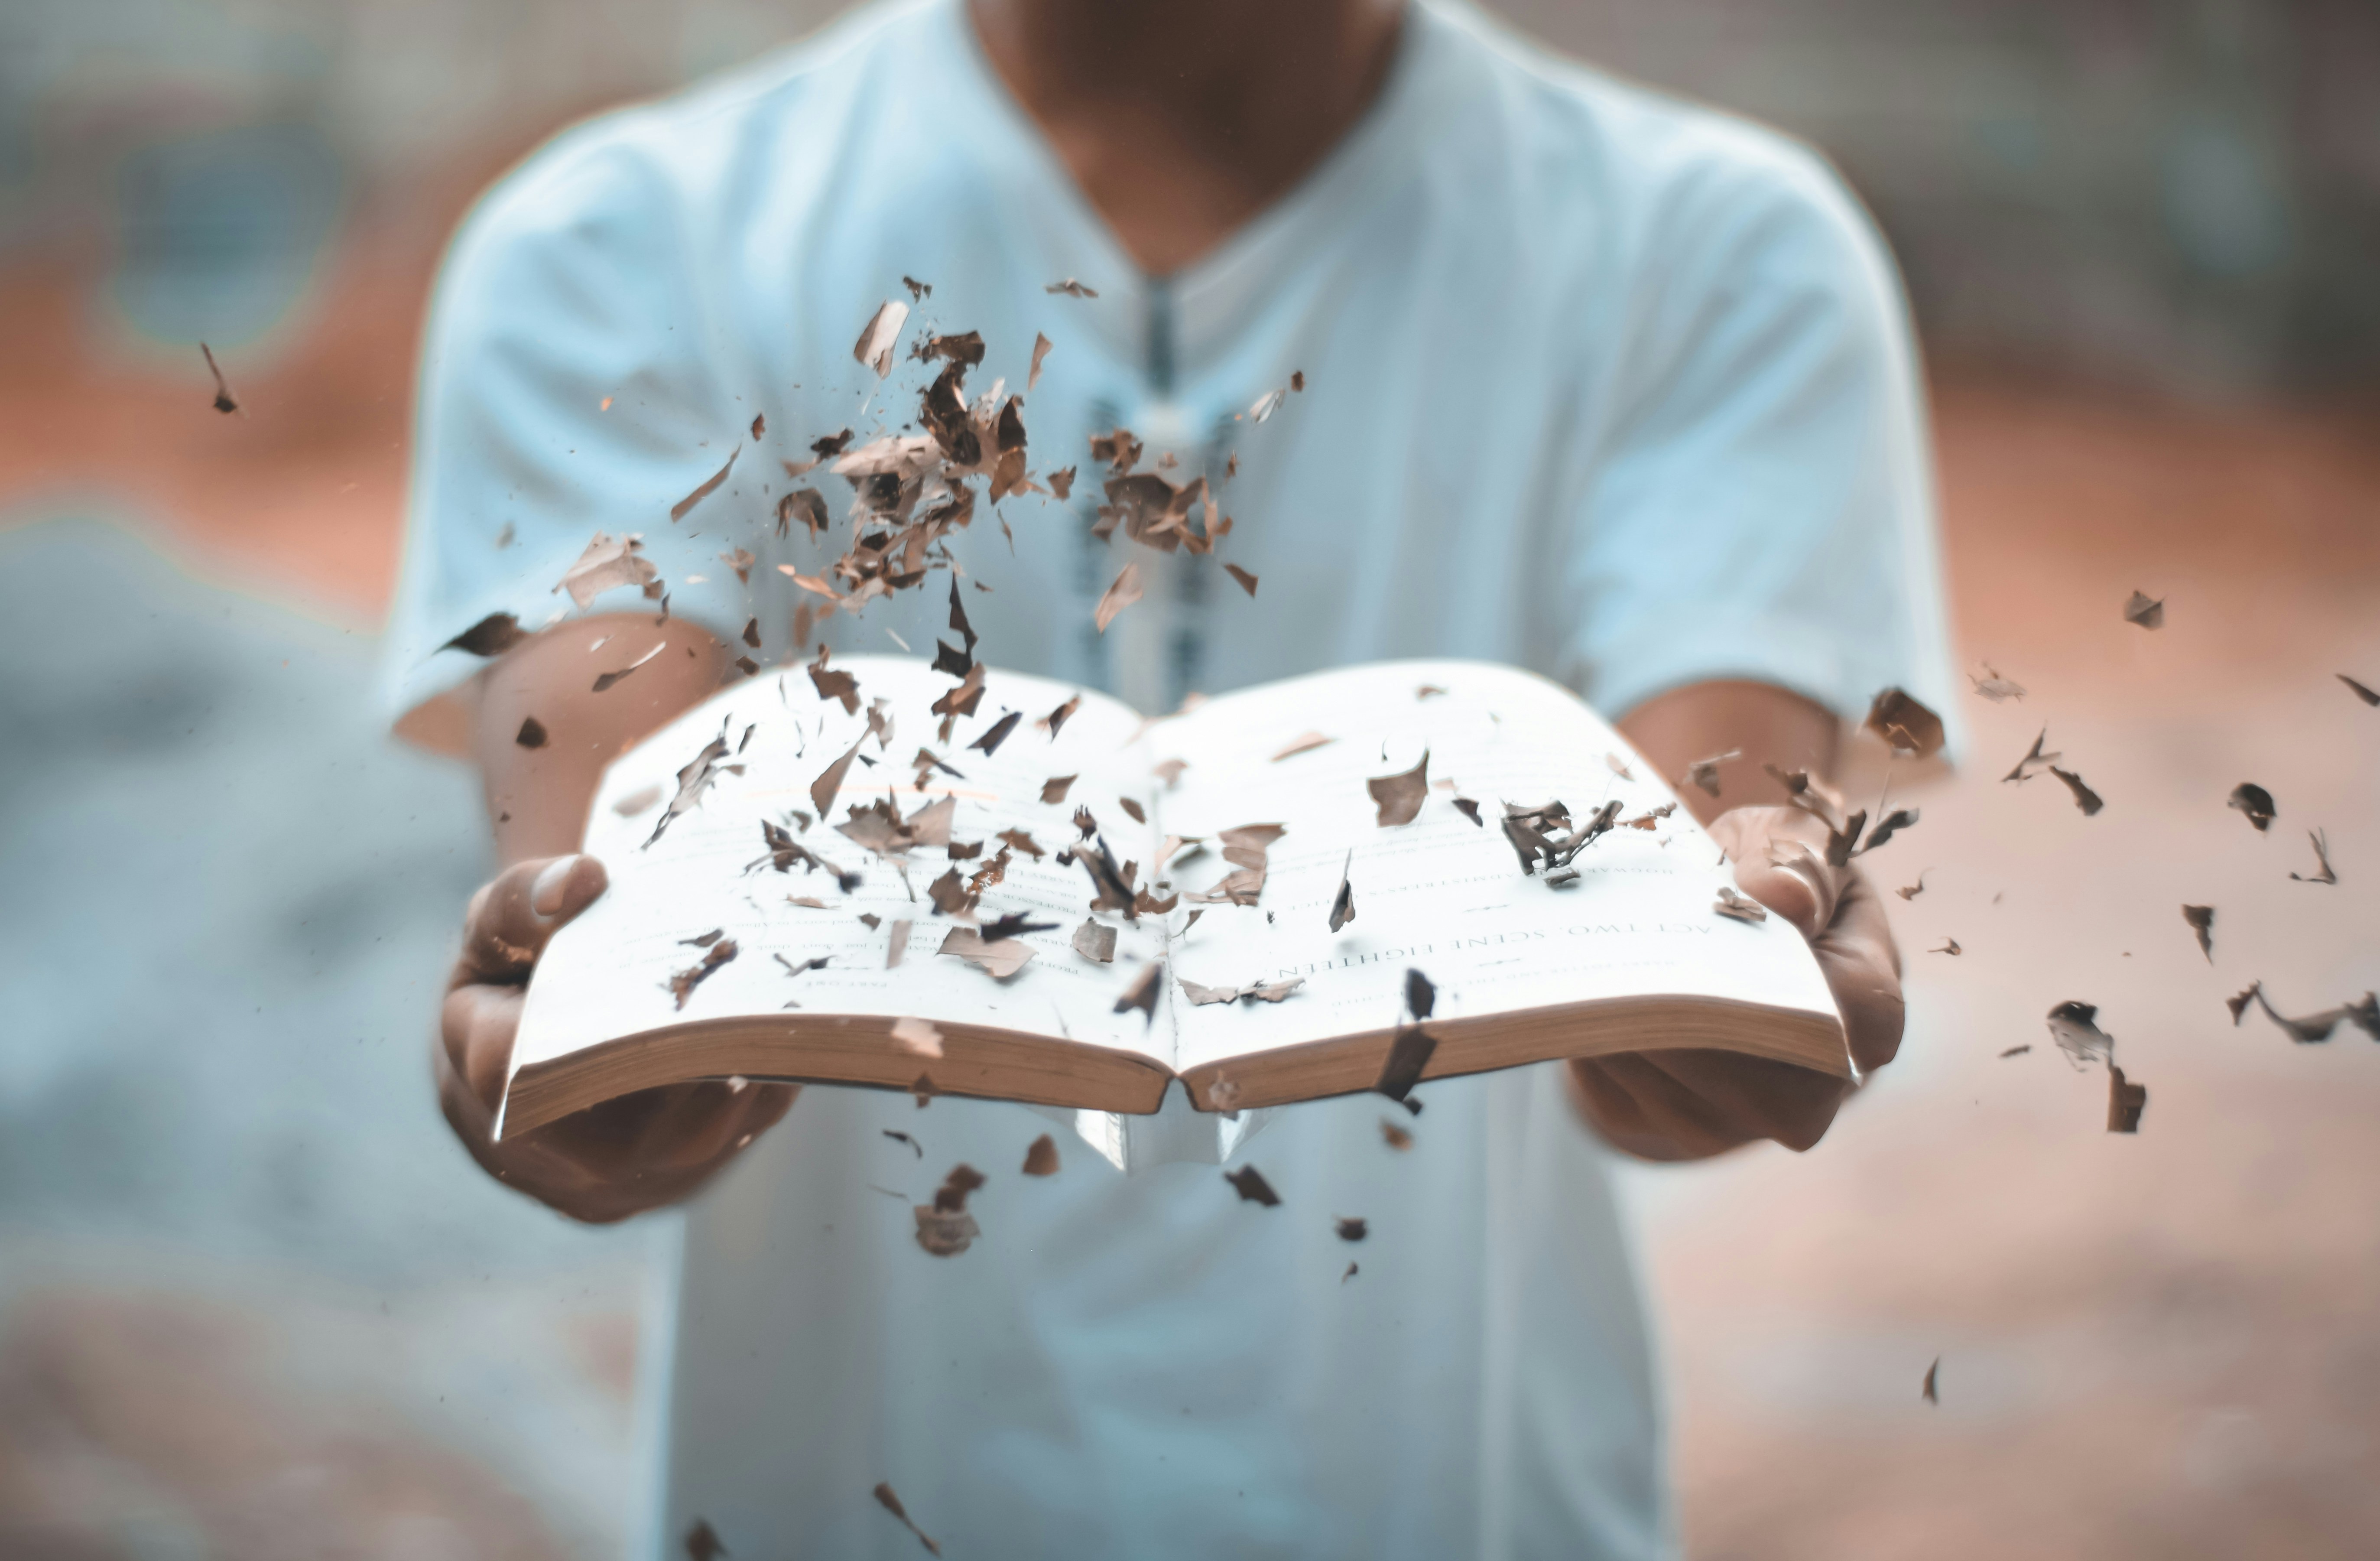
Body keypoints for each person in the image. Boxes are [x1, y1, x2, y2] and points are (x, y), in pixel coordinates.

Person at [383, 0, 1955, 1553]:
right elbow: (615, 936)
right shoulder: (609, 257)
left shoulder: (1721, 260)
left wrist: (1729, 981)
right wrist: (584, 1055)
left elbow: (1696, 898)